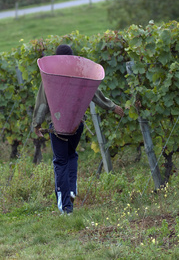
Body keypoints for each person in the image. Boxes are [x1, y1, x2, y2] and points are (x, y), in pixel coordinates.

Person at [32, 44, 124, 215]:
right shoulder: (80, 74)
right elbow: (95, 94)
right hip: (77, 125)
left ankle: (65, 206)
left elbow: (42, 104)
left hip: (58, 126)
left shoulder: (50, 76)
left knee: (60, 161)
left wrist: (37, 125)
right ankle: (72, 189)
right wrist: (113, 107)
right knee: (71, 155)